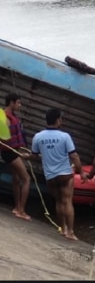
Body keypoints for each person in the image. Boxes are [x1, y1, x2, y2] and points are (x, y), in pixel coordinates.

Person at [23, 108, 87, 241]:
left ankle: (63, 229)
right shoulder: (65, 136)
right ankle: (71, 232)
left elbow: (35, 156)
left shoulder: (38, 137)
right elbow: (74, 156)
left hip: (50, 176)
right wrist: (81, 172)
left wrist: (27, 157)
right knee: (67, 201)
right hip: (65, 175)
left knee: (58, 202)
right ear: (58, 120)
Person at [1, 93, 31, 221]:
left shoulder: (13, 116)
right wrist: (18, 153)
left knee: (17, 178)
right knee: (26, 179)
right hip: (9, 152)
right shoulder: (4, 118)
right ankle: (21, 210)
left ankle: (17, 207)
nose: (20, 105)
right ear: (11, 103)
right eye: (18, 102)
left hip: (14, 151)